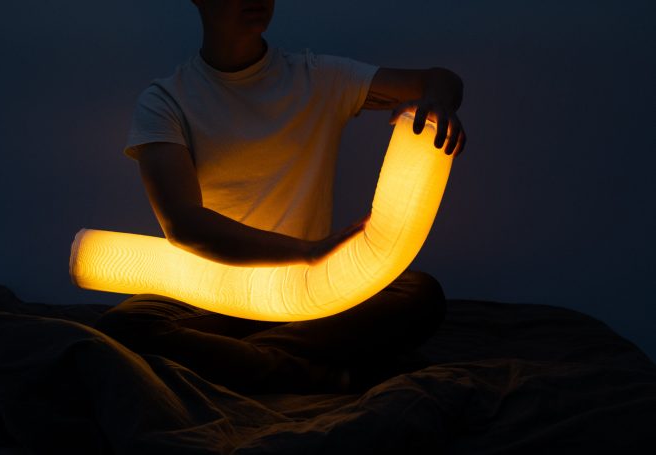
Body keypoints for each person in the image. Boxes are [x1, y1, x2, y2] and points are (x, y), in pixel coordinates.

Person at [94, 0, 466, 394]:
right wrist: (306, 250)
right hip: (209, 293)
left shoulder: (319, 77)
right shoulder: (166, 101)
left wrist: (438, 103)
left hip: (310, 292)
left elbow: (439, 80)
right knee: (123, 328)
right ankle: (310, 373)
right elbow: (183, 223)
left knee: (419, 294)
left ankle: (247, 361)